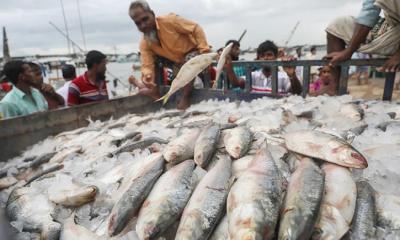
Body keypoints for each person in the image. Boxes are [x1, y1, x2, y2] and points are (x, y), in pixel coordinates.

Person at [128, 0, 211, 109]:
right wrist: (148, 76)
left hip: (191, 54)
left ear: (152, 14)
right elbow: (147, 65)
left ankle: (185, 98)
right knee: (151, 67)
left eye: (145, 19)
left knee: (189, 59)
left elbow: (195, 28)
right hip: (173, 61)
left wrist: (204, 51)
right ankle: (155, 91)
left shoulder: (170, 20)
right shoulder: (144, 43)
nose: (143, 25)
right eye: (138, 23)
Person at [325, 0, 400, 94]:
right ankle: (335, 88)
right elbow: (368, 13)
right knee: (337, 25)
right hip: (393, 27)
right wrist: (349, 51)